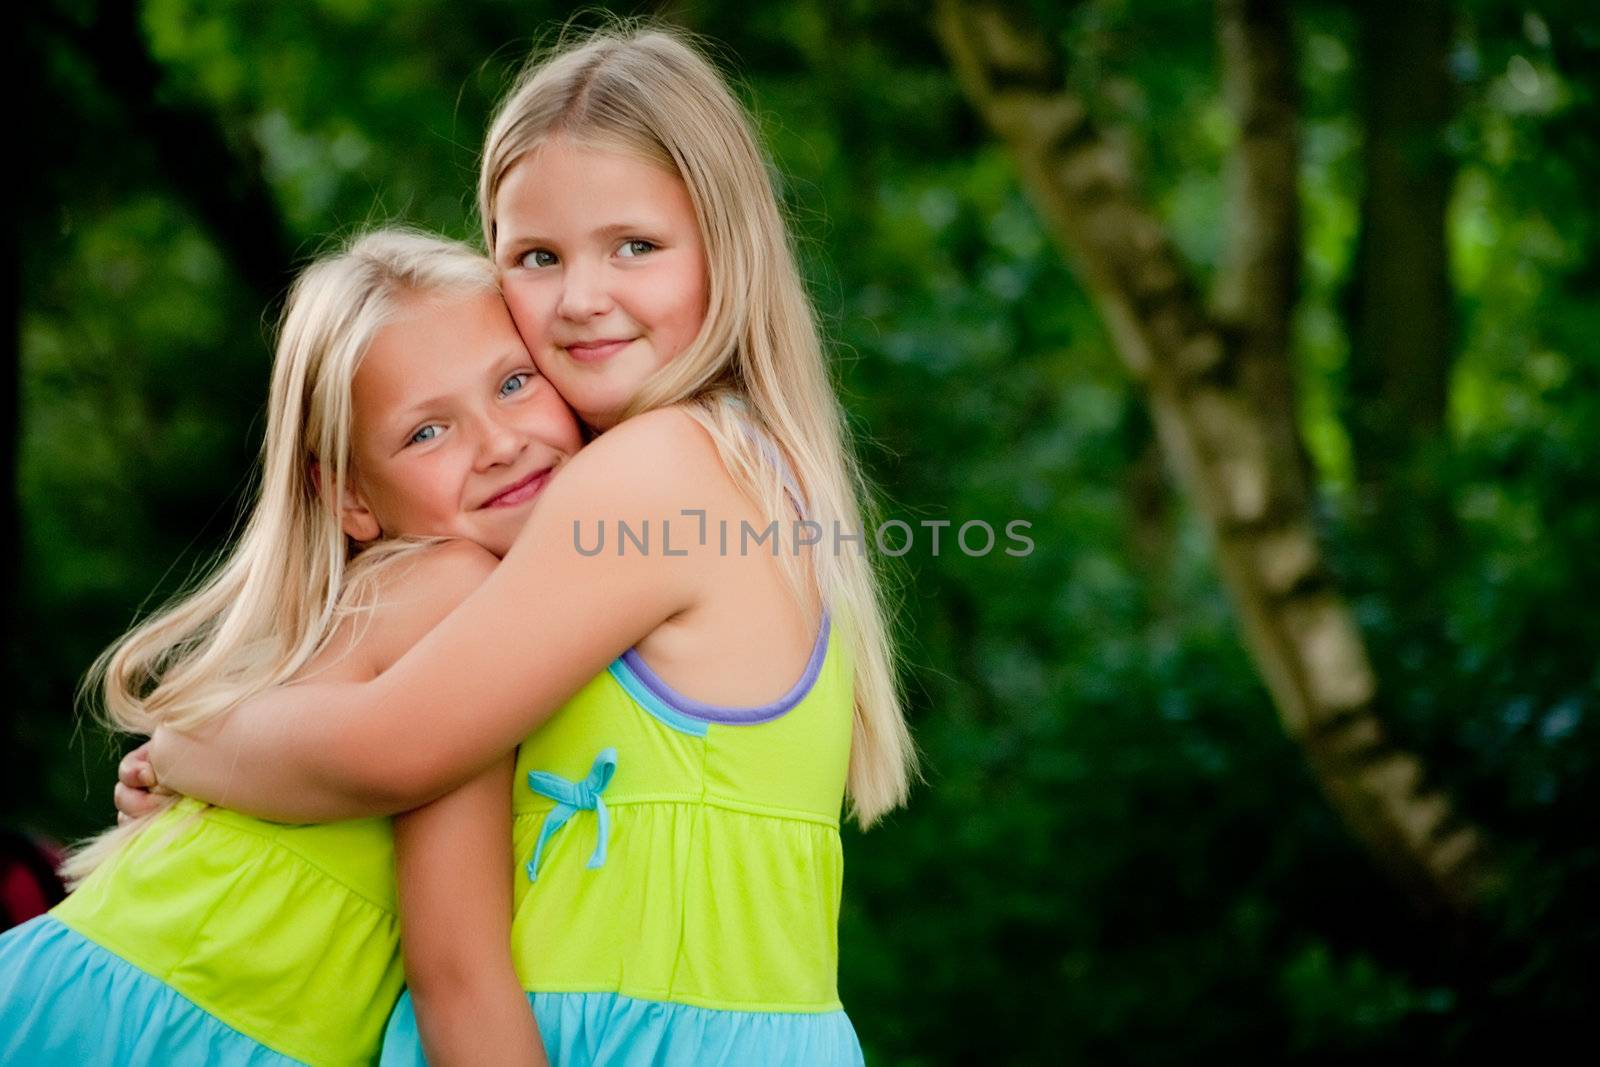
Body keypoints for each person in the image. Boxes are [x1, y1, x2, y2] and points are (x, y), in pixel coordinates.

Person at [138, 23, 917, 1067]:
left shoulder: (659, 471)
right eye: (536, 258)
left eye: (633, 246)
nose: (582, 296)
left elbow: (388, 749)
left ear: (727, 246)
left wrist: (190, 747)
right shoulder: (738, 465)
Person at [2, 229, 567, 1066]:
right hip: (148, 1025)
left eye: (515, 383)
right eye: (427, 432)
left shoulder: (406, 600)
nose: (499, 441)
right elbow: (458, 978)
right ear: (351, 499)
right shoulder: (457, 589)